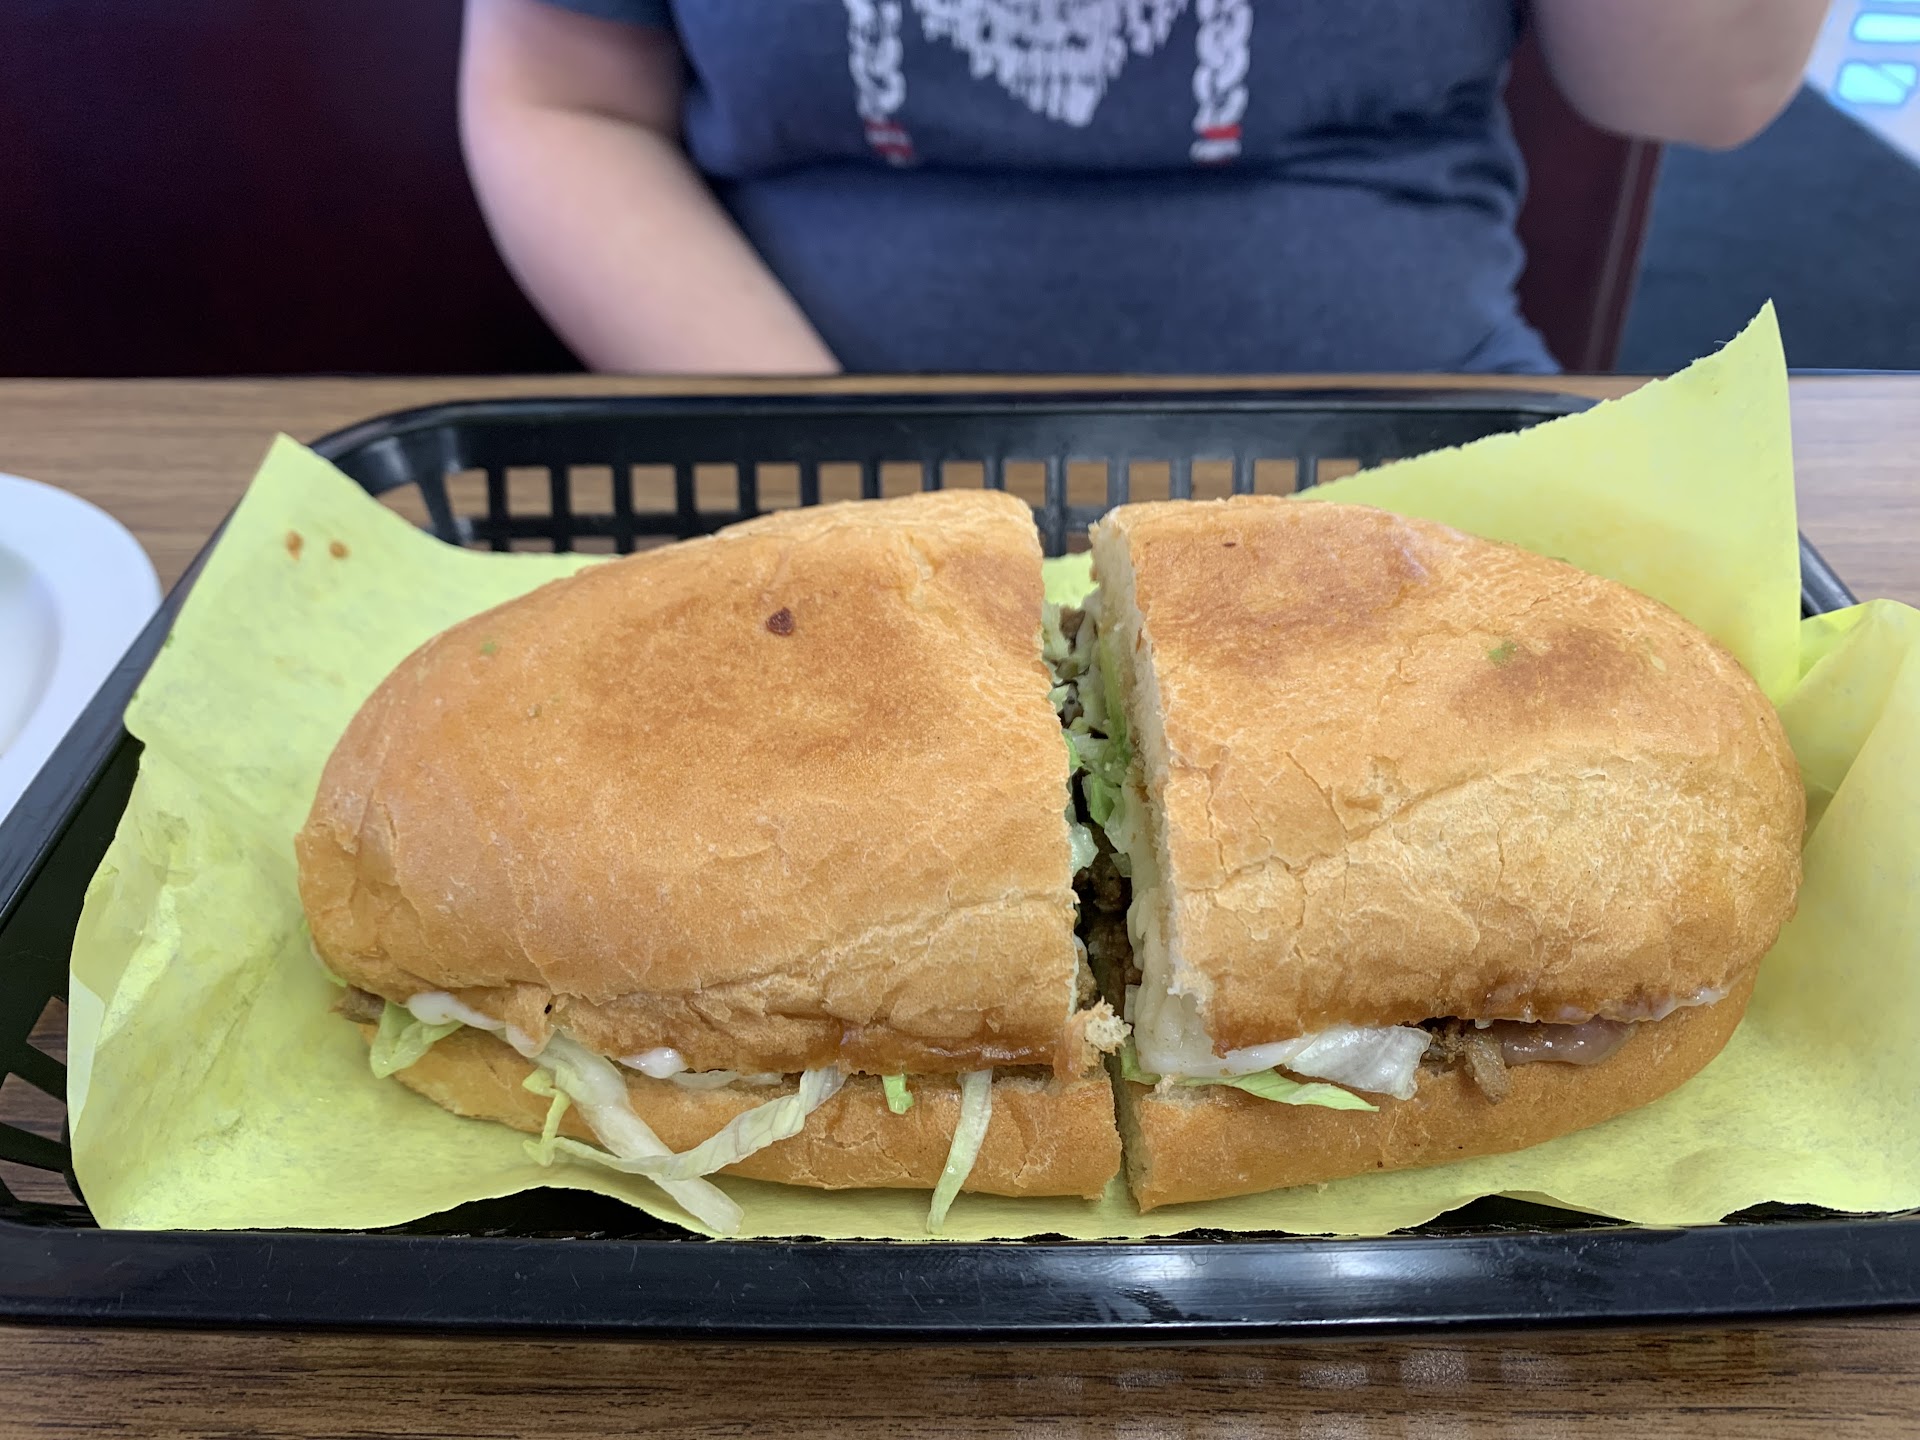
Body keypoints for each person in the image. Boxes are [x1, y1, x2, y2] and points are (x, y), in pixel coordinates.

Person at [459, 0, 1827, 376]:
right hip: (771, 451)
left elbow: (1702, 89)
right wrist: (829, 469)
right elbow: (561, 93)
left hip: (1424, 444)